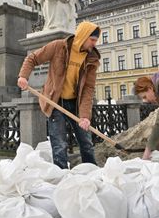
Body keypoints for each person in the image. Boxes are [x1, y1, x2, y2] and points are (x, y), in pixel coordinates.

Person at [17, 21, 101, 169]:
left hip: (76, 103)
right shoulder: (58, 47)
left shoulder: (92, 59)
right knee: (59, 144)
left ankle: (91, 172)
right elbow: (32, 58)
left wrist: (85, 116)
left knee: (86, 142)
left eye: (95, 40)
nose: (94, 44)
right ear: (82, 36)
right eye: (92, 40)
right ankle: (61, 176)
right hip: (56, 101)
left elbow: (88, 88)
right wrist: (23, 76)